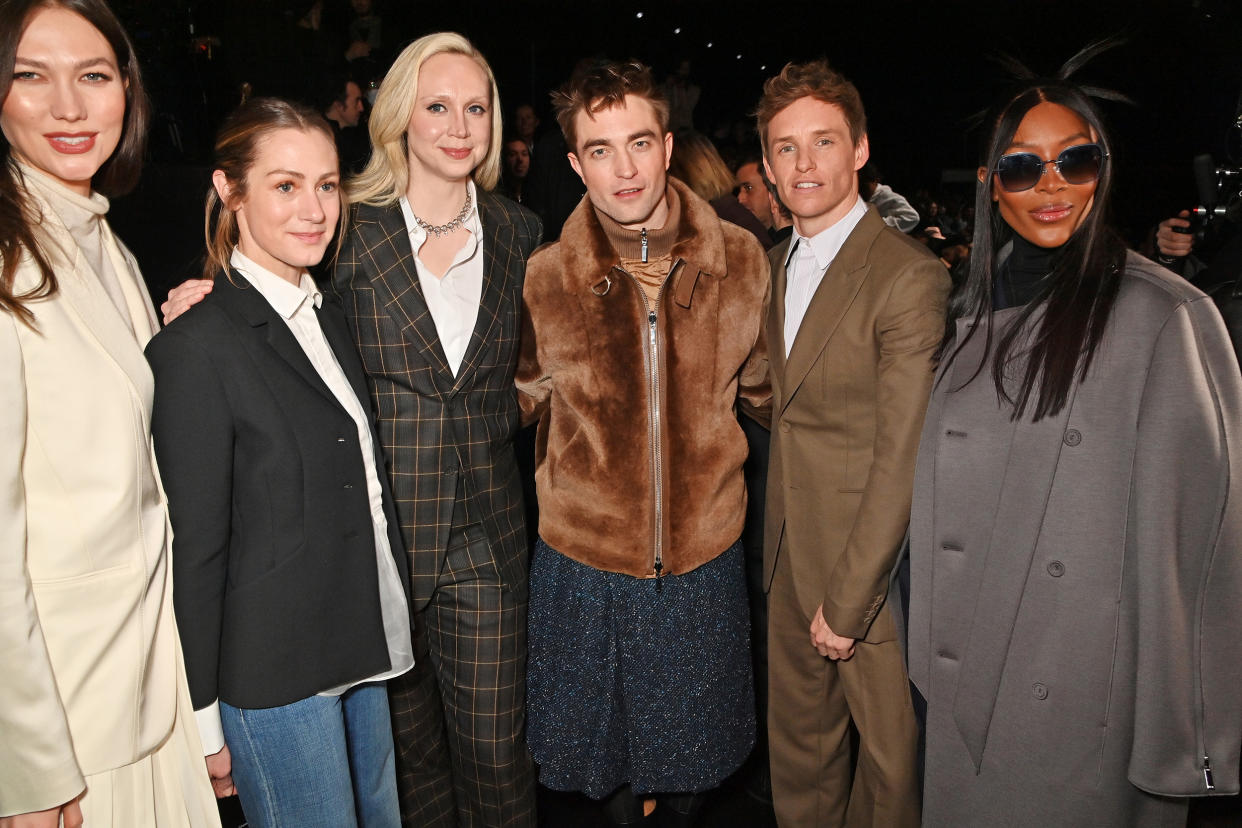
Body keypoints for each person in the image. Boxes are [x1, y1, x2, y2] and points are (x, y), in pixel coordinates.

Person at [907, 63, 1242, 828]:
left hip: (1080, 704)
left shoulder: (1163, 317)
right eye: (1026, 166)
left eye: (1077, 159)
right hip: (960, 692)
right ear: (993, 184)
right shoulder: (965, 311)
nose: (1053, 184)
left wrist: (1184, 737)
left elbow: (1204, 551)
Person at [516, 59, 770, 827]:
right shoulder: (544, 277)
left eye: (638, 142)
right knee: (611, 793)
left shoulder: (742, 260)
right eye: (600, 149)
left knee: (693, 782)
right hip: (585, 571)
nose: (623, 168)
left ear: (667, 144)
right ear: (575, 162)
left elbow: (777, 392)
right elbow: (500, 400)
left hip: (702, 565)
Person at [147, 97, 412, 828]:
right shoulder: (196, 346)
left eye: (327, 185)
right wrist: (202, 722)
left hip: (359, 640)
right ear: (229, 192)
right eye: (285, 185)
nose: (315, 209)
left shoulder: (324, 313)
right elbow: (195, 550)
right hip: (274, 676)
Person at [0, 1, 219, 825]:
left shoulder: (101, 236)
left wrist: (165, 350)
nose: (68, 106)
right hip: (67, 717)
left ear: (126, 92)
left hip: (148, 685)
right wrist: (23, 767)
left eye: (93, 76)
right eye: (30, 76)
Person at [756, 59, 949, 827]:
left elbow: (902, 454)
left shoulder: (907, 276)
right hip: (783, 557)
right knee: (800, 766)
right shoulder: (769, 267)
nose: (805, 165)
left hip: (869, 577)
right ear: (767, 165)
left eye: (823, 142)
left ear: (860, 149)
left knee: (889, 775)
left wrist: (850, 600)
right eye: (785, 149)